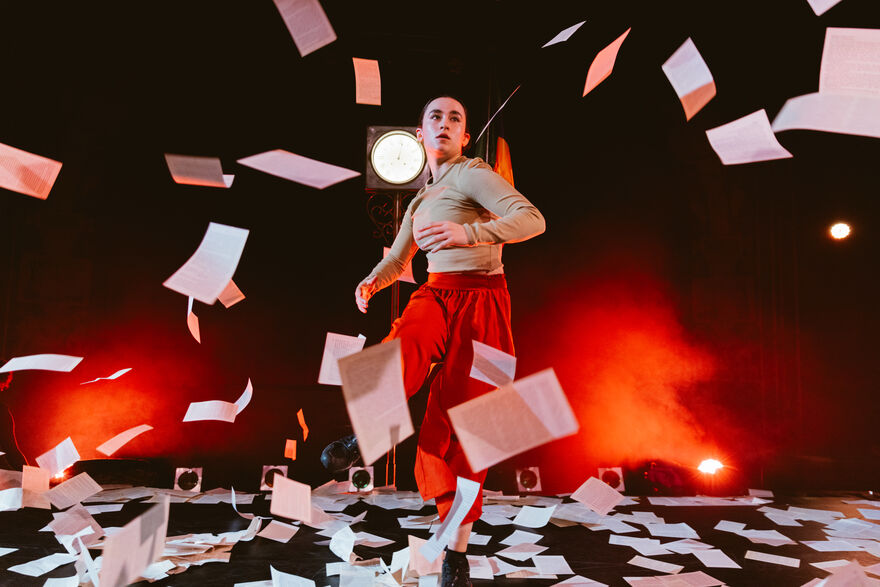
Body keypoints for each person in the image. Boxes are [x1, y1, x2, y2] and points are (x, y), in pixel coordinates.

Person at [323, 96, 545, 586]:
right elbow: (399, 261)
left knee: (472, 429)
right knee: (403, 345)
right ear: (419, 134)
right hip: (437, 294)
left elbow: (532, 219)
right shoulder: (422, 199)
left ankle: (456, 555)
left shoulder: (471, 173)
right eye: (434, 118)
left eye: (455, 119)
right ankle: (365, 437)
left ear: (465, 135)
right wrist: (372, 281)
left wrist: (470, 234)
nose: (444, 124)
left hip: (486, 303)